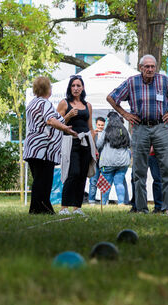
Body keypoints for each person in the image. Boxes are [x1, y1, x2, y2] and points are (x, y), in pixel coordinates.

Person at [107, 54, 168, 214]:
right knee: (139, 169)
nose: (150, 69)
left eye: (152, 66)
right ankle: (141, 208)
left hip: (161, 127)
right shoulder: (131, 82)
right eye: (146, 66)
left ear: (156, 68)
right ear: (140, 67)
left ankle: (167, 207)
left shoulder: (163, 80)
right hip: (140, 127)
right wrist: (125, 114)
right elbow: (111, 98)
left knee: (167, 168)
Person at [23, 77, 77, 214]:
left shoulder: (32, 103)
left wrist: (65, 120)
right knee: (43, 181)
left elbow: (53, 120)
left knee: (39, 180)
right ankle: (38, 210)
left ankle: (42, 208)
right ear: (48, 89)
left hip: (32, 148)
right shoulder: (45, 103)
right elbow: (51, 120)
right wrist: (65, 129)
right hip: (43, 149)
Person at [57, 75, 97, 216]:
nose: (75, 88)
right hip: (70, 141)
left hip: (86, 143)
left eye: (78, 85)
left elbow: (91, 127)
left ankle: (77, 207)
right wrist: (68, 116)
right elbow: (56, 123)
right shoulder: (64, 103)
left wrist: (93, 144)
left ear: (83, 88)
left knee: (82, 175)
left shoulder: (88, 106)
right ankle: (64, 208)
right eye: (73, 85)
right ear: (69, 87)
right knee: (72, 173)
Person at [96, 111, 131, 205]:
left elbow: (98, 145)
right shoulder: (124, 130)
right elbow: (130, 143)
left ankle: (103, 203)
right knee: (119, 183)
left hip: (108, 162)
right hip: (123, 162)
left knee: (106, 184)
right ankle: (121, 203)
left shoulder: (106, 131)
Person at [88, 116, 106, 204]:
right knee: (93, 181)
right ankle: (91, 200)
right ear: (96, 124)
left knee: (104, 181)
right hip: (94, 160)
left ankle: (104, 201)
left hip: (104, 161)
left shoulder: (106, 134)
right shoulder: (92, 133)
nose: (100, 127)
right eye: (99, 125)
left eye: (102, 125)